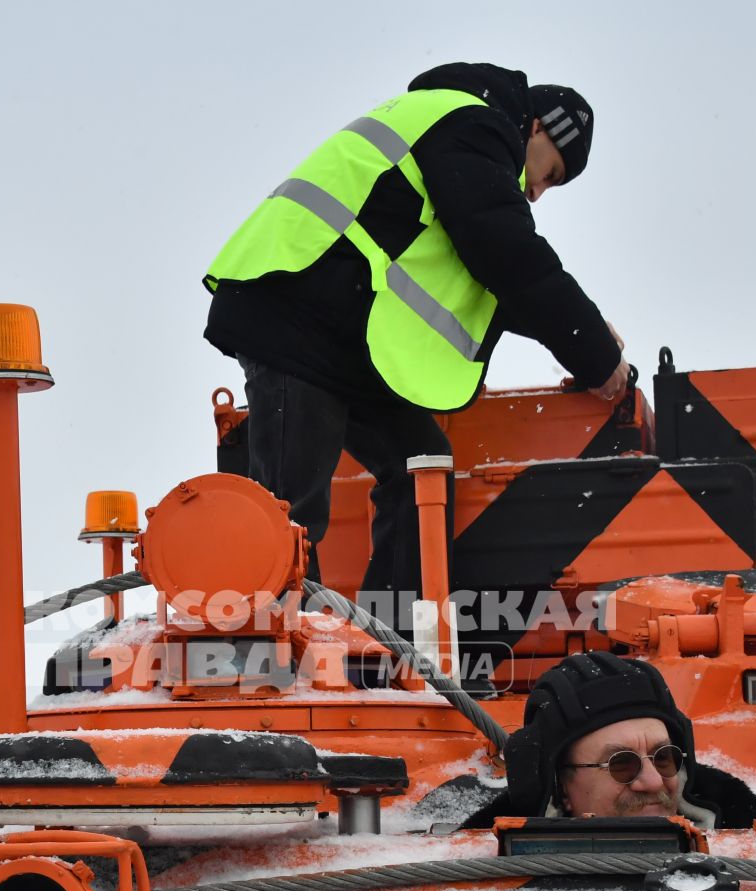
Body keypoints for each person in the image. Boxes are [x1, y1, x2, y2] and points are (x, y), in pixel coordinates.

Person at [204, 62, 631, 608]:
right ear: (539, 129)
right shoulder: (475, 124)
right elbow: (508, 256)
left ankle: (389, 647)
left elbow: (491, 275)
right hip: (294, 315)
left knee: (421, 467)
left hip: (340, 334)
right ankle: (272, 664)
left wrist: (587, 333)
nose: (538, 193)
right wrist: (596, 354)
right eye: (550, 173)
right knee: (293, 510)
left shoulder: (453, 131)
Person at [464, 652, 756, 828]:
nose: (654, 782)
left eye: (663, 758)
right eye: (621, 764)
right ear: (560, 788)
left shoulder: (751, 855)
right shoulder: (472, 882)